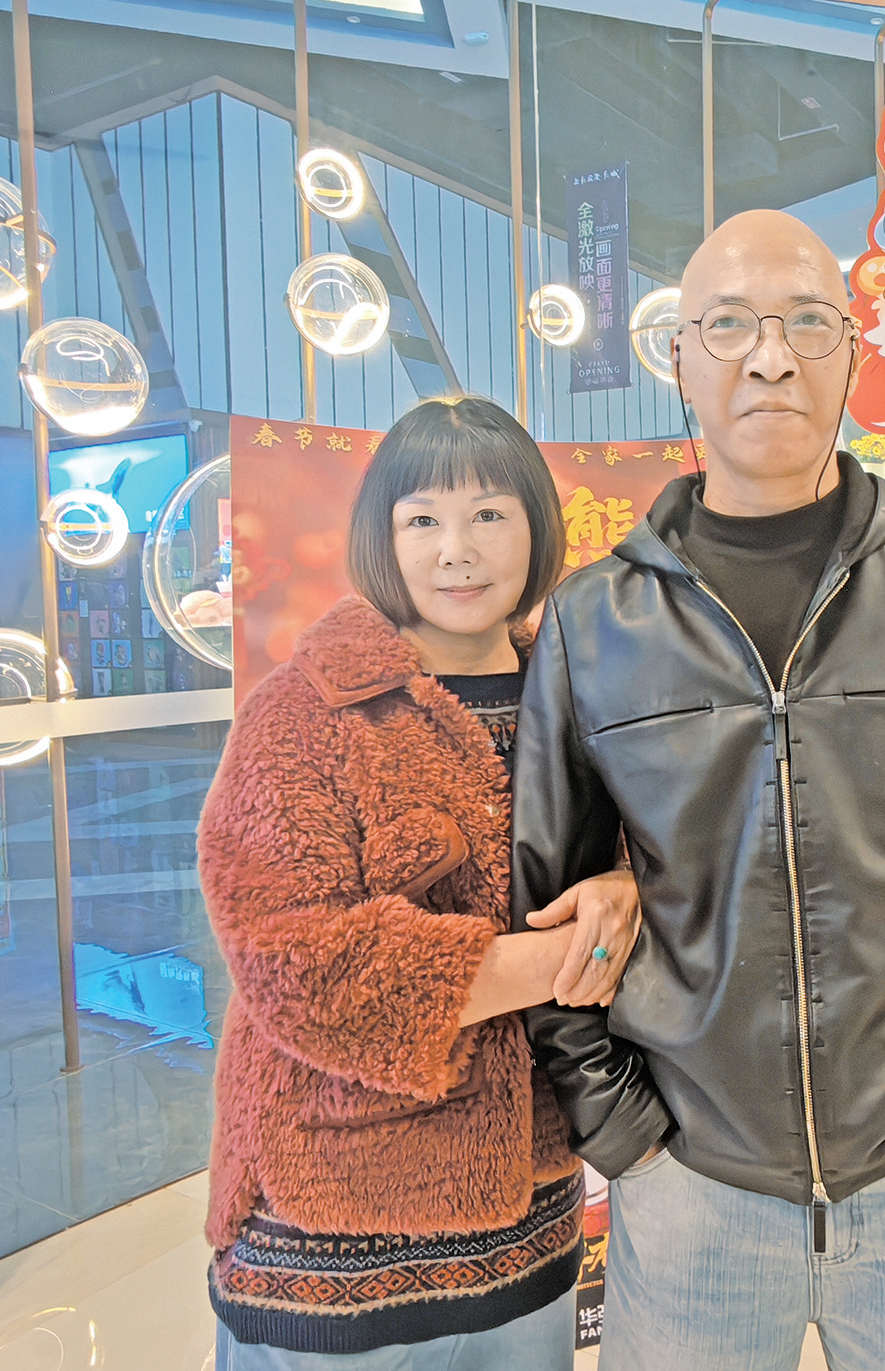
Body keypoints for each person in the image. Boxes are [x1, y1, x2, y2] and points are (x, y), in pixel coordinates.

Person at [512, 210, 885, 1371]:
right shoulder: (596, 619)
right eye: (730, 325)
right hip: (694, 1193)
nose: (770, 358)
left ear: (853, 356)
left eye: (807, 324)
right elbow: (546, 903)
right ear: (678, 358)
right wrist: (625, 1136)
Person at [199, 396, 640, 1367]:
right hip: (327, 1231)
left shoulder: (585, 697)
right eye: (423, 519)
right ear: (382, 537)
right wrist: (571, 955)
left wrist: (627, 892)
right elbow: (295, 960)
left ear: (537, 526)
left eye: (489, 514)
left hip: (530, 1227)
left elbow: (656, 854)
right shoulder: (306, 711)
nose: (457, 550)